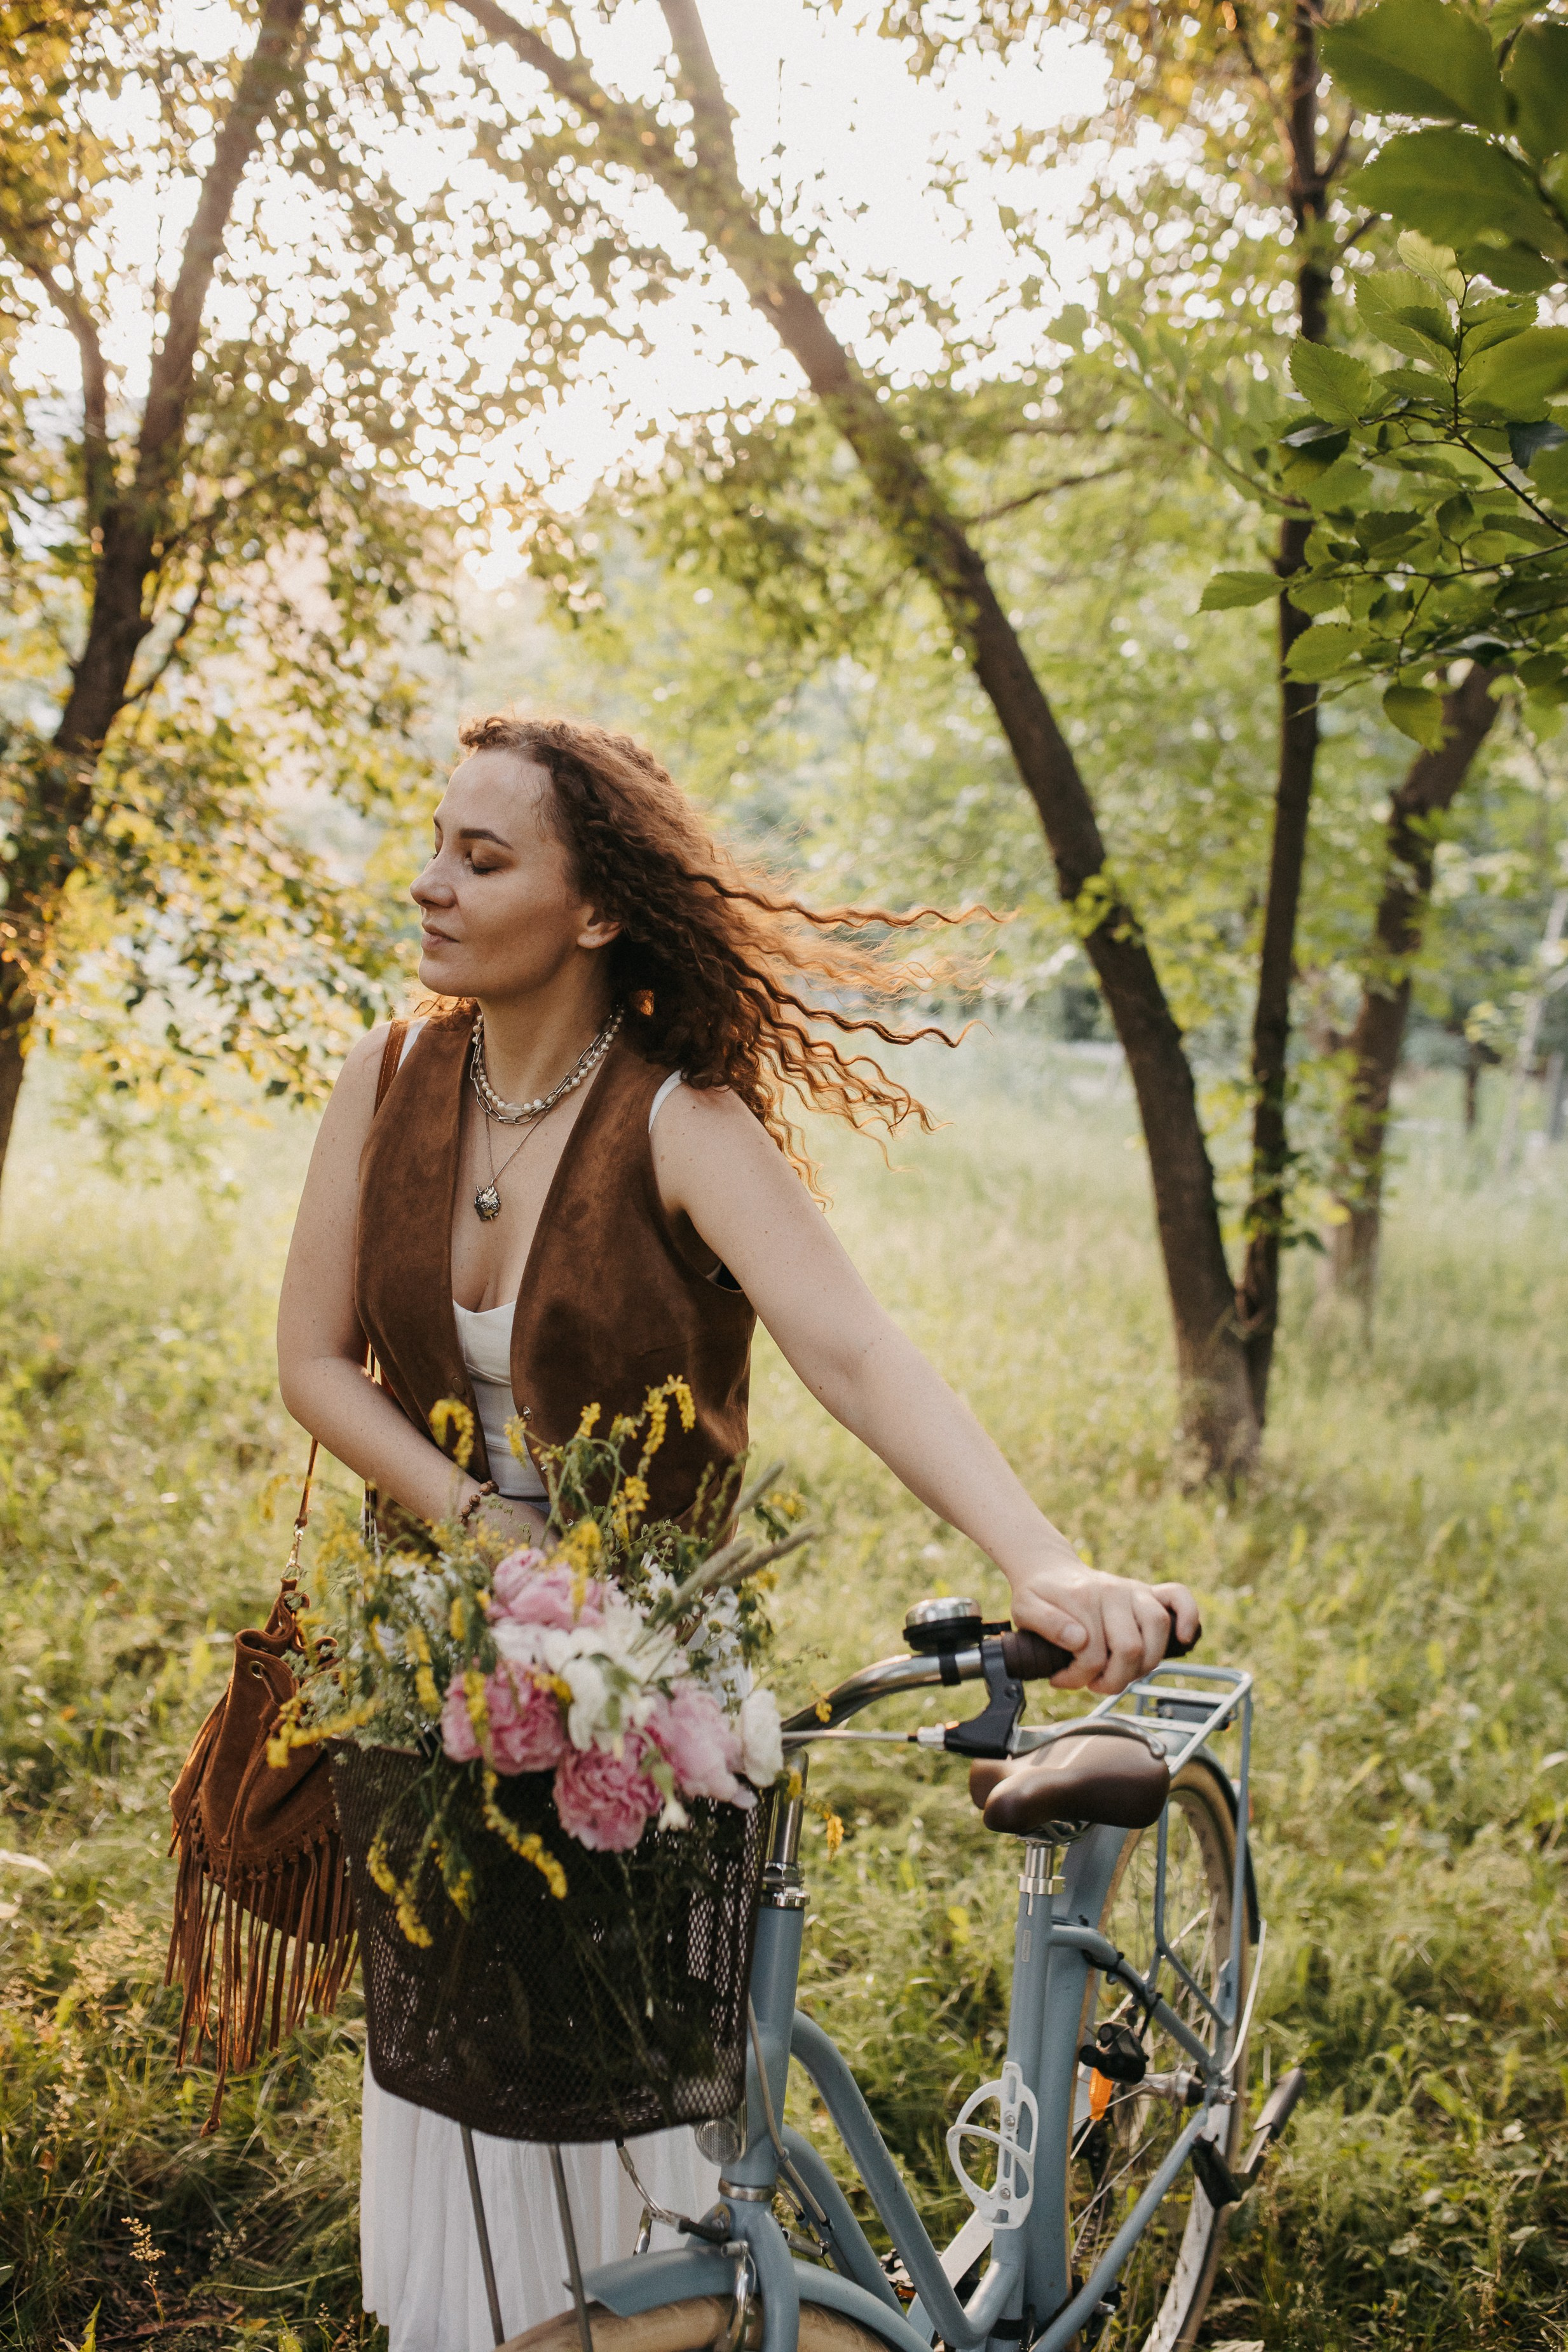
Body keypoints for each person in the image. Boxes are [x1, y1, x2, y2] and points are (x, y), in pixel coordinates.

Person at [276, 713, 1199, 2349]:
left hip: (642, 1685)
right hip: (435, 1666)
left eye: (481, 857)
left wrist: (1041, 1555)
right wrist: (483, 1532)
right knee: (453, 2075)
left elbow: (856, 1350)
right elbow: (311, 1362)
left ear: (595, 908)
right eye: (434, 844)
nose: (428, 882)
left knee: (614, 2084)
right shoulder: (390, 1073)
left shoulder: (679, 1119)